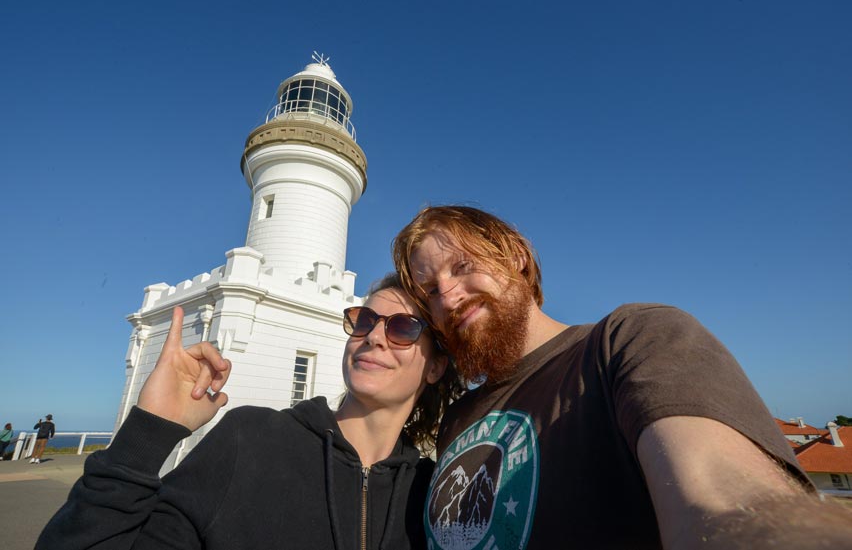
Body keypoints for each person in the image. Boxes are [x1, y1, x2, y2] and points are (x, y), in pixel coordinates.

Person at [392, 205, 852, 550]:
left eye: (463, 267)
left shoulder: (631, 340)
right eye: (430, 290)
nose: (448, 297)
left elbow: (720, 497)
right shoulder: (457, 420)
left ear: (516, 256)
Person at [37, 274, 463, 550]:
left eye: (404, 328)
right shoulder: (251, 438)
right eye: (365, 320)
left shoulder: (434, 494)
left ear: (436, 366)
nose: (374, 338)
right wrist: (148, 432)